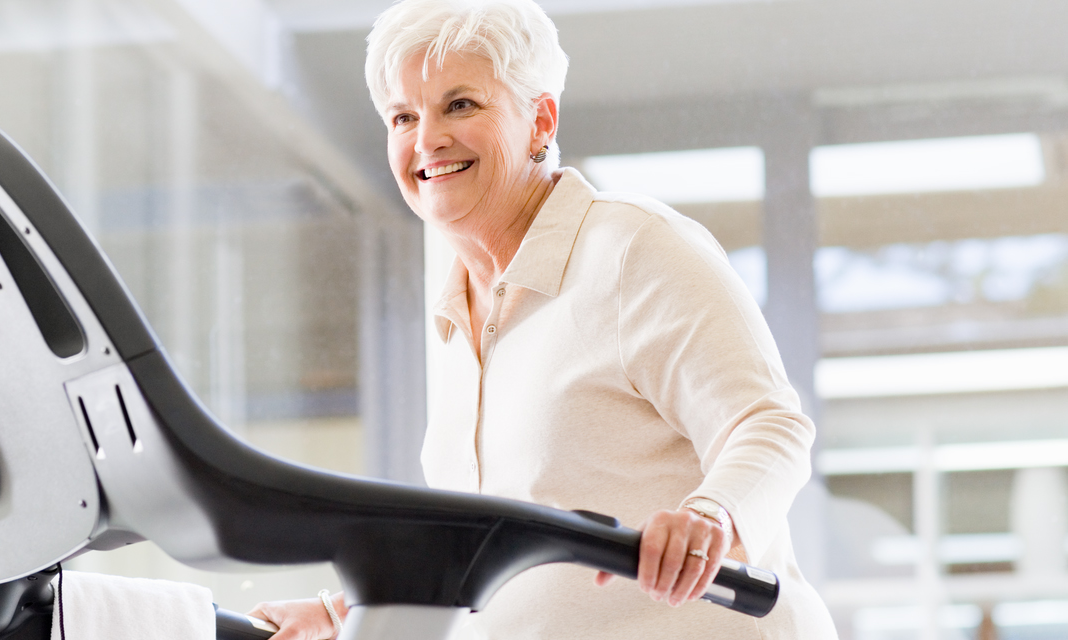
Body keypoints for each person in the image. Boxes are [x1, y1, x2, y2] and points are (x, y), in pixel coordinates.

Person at [248, 0, 839, 638]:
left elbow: (769, 424)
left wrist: (712, 517)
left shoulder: (634, 250)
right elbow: (486, 539)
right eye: (403, 116)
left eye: (460, 105)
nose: (427, 139)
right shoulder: (455, 314)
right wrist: (342, 613)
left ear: (540, 120)